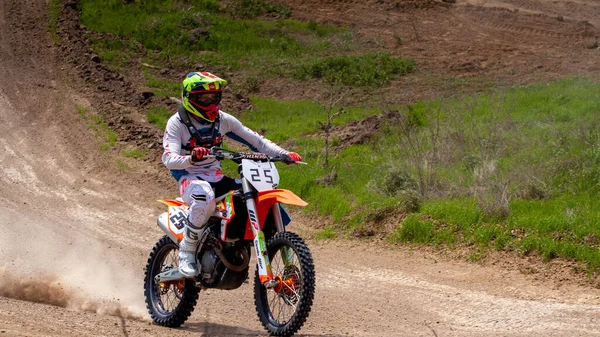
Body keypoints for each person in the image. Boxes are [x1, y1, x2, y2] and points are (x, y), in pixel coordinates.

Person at [161, 71, 302, 277]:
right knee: (204, 195)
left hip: (216, 177)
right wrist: (190, 159)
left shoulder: (223, 120)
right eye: (204, 98)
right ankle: (187, 252)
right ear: (190, 97)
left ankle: (253, 244)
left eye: (214, 98)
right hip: (189, 178)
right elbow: (168, 157)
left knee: (256, 193)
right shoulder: (177, 123)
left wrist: (283, 154)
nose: (210, 103)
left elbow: (257, 141)